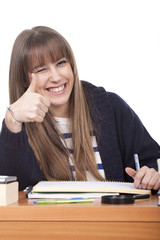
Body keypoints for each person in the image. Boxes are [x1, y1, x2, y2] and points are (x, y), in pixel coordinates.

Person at [0, 26, 160, 191]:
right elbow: (15, 195)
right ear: (24, 79)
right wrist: (12, 123)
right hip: (52, 218)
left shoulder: (111, 107)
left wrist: (152, 174)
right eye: (41, 69)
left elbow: (152, 161)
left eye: (61, 63)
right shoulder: (19, 128)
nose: (56, 77)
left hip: (113, 217)